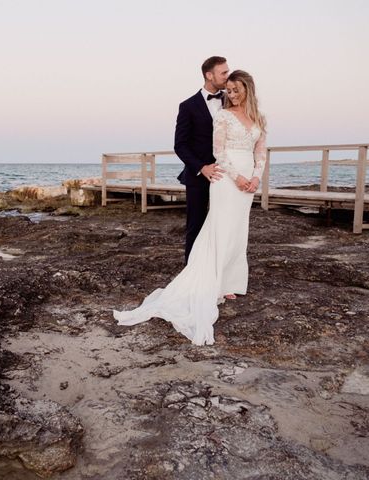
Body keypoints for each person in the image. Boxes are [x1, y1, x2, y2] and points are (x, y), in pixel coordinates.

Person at [113, 70, 267, 346]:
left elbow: (261, 152)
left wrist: (256, 176)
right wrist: (238, 177)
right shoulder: (222, 115)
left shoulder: (259, 118)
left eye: (235, 90)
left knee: (237, 229)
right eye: (228, 90)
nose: (230, 95)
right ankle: (213, 283)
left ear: (248, 89)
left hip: (248, 181)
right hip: (226, 177)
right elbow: (218, 152)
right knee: (218, 227)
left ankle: (230, 281)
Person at [174, 56, 230, 264]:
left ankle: (220, 273)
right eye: (223, 72)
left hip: (226, 174)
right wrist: (201, 167)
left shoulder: (233, 100)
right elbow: (180, 145)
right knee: (195, 226)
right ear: (209, 75)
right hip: (198, 176)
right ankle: (191, 274)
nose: (227, 76)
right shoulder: (187, 106)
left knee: (224, 226)